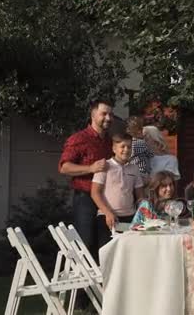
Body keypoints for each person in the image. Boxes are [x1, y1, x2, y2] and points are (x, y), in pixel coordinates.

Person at [58, 99, 113, 260]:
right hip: (85, 200)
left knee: (105, 245)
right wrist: (90, 168)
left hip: (106, 200)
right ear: (93, 114)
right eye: (104, 114)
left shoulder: (110, 141)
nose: (108, 118)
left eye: (111, 114)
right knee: (84, 244)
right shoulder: (79, 138)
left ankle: (102, 284)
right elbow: (64, 167)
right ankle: (81, 284)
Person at [90, 133, 145, 248]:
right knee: (108, 251)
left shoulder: (134, 169)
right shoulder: (104, 166)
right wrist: (107, 212)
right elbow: (95, 192)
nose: (126, 150)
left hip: (130, 217)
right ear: (114, 148)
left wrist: (143, 208)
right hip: (108, 217)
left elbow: (140, 195)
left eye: (129, 147)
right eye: (122, 146)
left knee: (129, 250)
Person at [126, 115, 154, 180]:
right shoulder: (141, 143)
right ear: (138, 131)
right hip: (141, 172)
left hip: (130, 172)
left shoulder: (129, 143)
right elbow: (151, 154)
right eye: (141, 128)